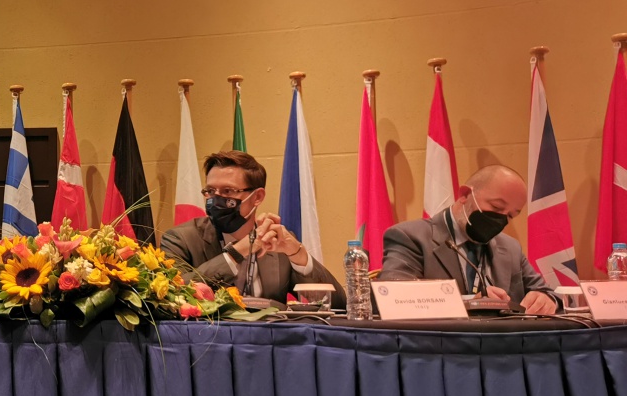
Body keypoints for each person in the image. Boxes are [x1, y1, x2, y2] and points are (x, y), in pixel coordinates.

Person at [160, 150, 345, 307]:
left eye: (227, 191)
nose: (215, 200)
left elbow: (338, 305)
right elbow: (170, 295)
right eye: (210, 191)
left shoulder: (276, 242)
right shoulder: (181, 239)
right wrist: (237, 252)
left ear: (257, 197)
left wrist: (298, 254)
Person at [381, 164, 558, 314]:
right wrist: (471, 302)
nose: (501, 220)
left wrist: (546, 298)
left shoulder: (510, 247)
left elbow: (548, 292)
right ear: (465, 195)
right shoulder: (410, 237)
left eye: (510, 216)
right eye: (496, 207)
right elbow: (394, 297)